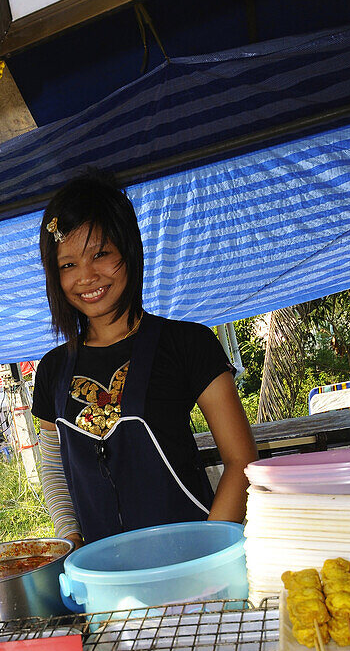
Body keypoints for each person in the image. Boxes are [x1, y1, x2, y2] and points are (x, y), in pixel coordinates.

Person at [32, 171, 258, 547]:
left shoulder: (189, 343)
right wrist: (72, 543)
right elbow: (54, 465)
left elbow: (241, 462)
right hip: (107, 574)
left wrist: (210, 551)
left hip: (196, 557)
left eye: (100, 254)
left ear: (129, 251)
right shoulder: (52, 369)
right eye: (68, 264)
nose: (86, 277)